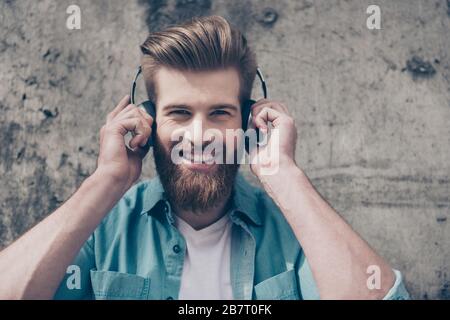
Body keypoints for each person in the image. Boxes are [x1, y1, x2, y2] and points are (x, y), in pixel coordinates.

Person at [0, 15, 409, 300]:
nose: (198, 136)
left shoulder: (293, 231)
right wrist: (106, 180)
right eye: (179, 113)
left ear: (248, 120)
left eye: (219, 113)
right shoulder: (103, 228)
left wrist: (282, 173)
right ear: (148, 121)